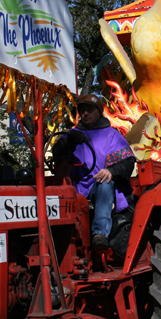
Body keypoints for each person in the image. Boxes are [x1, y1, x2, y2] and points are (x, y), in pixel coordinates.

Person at [59, 94, 136, 251]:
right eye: (82, 110)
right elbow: (57, 153)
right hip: (74, 188)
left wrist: (111, 171)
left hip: (99, 189)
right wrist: (69, 142)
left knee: (104, 182)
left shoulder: (112, 134)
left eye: (89, 110)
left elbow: (127, 162)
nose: (85, 113)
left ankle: (100, 234)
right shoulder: (70, 134)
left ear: (99, 112)